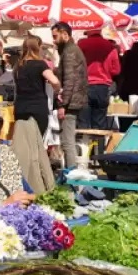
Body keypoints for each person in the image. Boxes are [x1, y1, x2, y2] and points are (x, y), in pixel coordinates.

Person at [13, 35, 62, 140]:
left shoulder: (18, 65)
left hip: (20, 106)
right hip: (37, 106)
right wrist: (56, 90)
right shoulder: (40, 64)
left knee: (23, 140)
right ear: (37, 47)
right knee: (36, 141)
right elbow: (55, 81)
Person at [53, 22, 87, 168]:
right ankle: (71, 173)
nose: (54, 40)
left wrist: (63, 104)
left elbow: (69, 80)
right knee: (68, 141)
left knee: (67, 142)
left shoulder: (70, 52)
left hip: (70, 103)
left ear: (64, 34)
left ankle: (71, 176)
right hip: (74, 101)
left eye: (55, 36)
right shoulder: (70, 50)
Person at [77, 27, 120, 131]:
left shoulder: (81, 45)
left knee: (83, 122)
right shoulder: (110, 46)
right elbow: (116, 70)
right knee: (100, 122)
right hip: (103, 87)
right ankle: (98, 146)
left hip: (84, 86)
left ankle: (85, 146)